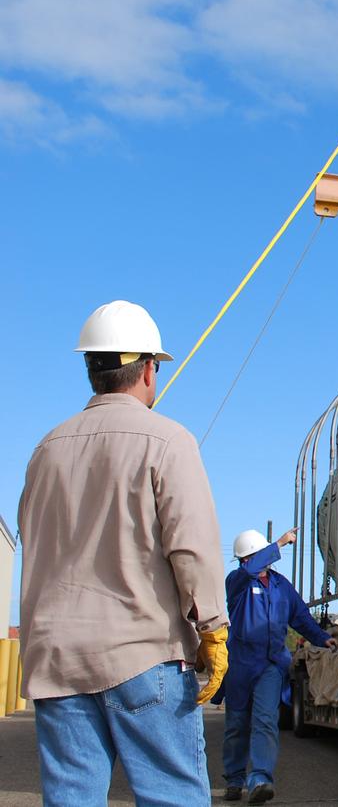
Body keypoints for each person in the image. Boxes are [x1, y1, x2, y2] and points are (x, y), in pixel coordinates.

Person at [17, 300, 229, 806]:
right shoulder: (168, 440)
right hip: (143, 655)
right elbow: (192, 547)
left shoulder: (45, 449)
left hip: (58, 660)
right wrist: (213, 629)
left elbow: (33, 539)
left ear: (91, 367)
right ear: (150, 369)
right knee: (171, 796)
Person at [220, 526, 338, 804]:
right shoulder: (237, 582)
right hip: (240, 666)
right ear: (244, 560)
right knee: (237, 725)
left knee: (265, 721)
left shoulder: (282, 586)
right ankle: (234, 779)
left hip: (270, 666)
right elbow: (250, 571)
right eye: (251, 558)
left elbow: (300, 617)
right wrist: (281, 543)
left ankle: (260, 779)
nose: (255, 562)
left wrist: (322, 638)